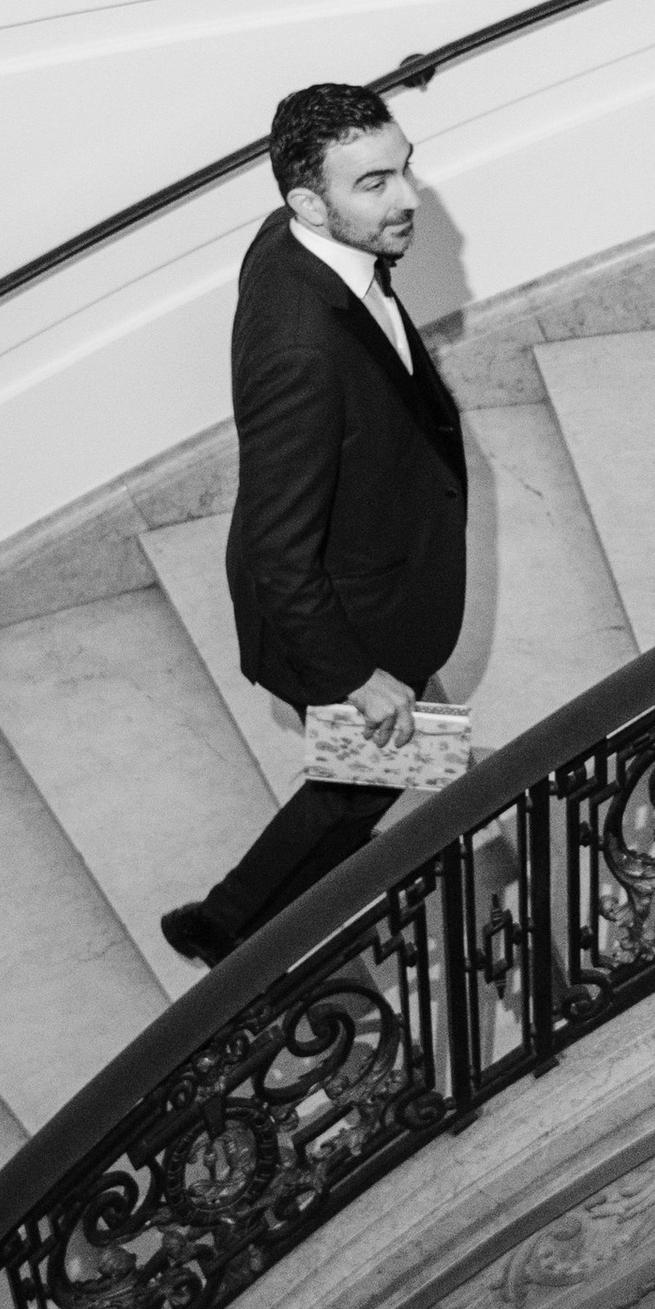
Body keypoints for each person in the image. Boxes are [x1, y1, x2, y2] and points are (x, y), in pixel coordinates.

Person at [160, 82, 467, 970]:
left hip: (368, 571)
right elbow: (278, 548)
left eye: (403, 168)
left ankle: (236, 918)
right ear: (308, 201)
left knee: (381, 772)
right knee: (363, 782)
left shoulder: (290, 241)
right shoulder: (301, 350)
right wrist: (356, 676)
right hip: (344, 622)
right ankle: (231, 927)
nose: (409, 197)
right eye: (374, 184)